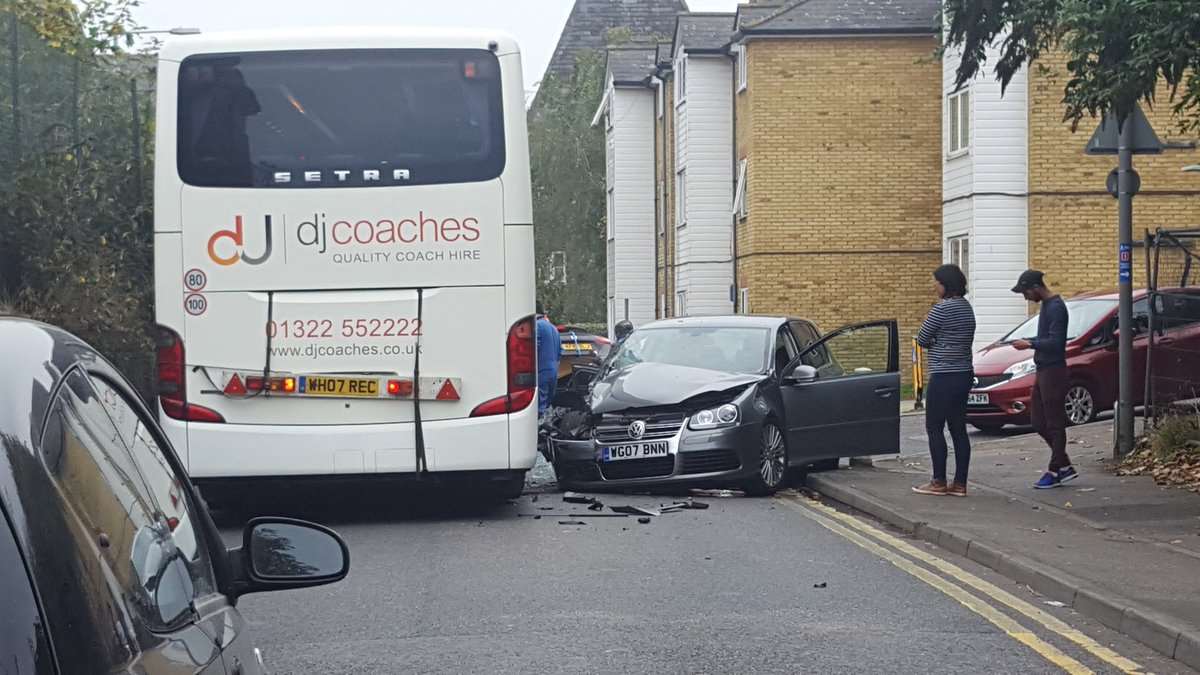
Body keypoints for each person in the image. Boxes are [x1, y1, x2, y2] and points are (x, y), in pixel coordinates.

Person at [912, 264, 977, 497]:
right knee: (958, 429)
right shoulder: (967, 308)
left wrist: (936, 343)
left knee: (934, 427)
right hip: (964, 373)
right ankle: (960, 484)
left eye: (937, 282)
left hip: (943, 375)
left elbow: (922, 338)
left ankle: (938, 481)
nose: (935, 286)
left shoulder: (942, 309)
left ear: (946, 285)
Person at [1011, 270, 1077, 488]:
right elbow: (1047, 337)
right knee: (1038, 421)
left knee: (1055, 423)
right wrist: (1030, 341)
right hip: (1043, 370)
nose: (1025, 297)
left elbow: (1057, 343)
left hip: (1054, 371)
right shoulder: (1047, 306)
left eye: (1026, 292)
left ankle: (1054, 469)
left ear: (1036, 288)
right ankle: (1064, 464)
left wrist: (1030, 344)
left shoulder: (1056, 308)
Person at [535, 303, 562, 416]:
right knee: (547, 406)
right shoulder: (553, 328)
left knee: (539, 411)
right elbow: (559, 352)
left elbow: (533, 349)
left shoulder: (536, 326)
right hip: (554, 373)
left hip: (542, 373)